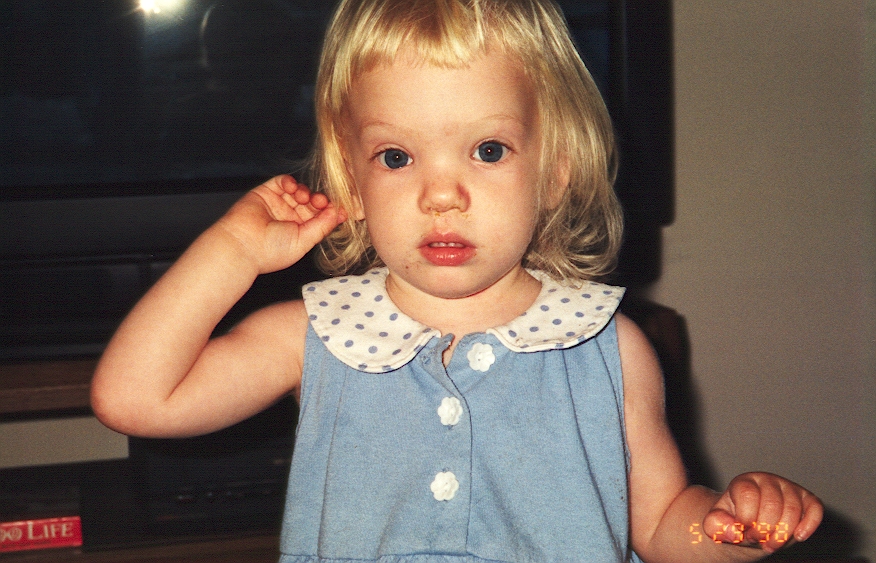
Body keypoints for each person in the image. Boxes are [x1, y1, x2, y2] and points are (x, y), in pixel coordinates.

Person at [91, 0, 823, 561]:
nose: (441, 195)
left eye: (488, 149)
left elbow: (664, 522)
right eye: (397, 158)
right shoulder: (316, 336)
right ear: (352, 176)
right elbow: (134, 399)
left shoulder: (608, 349)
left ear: (556, 170)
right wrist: (231, 252)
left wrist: (731, 528)